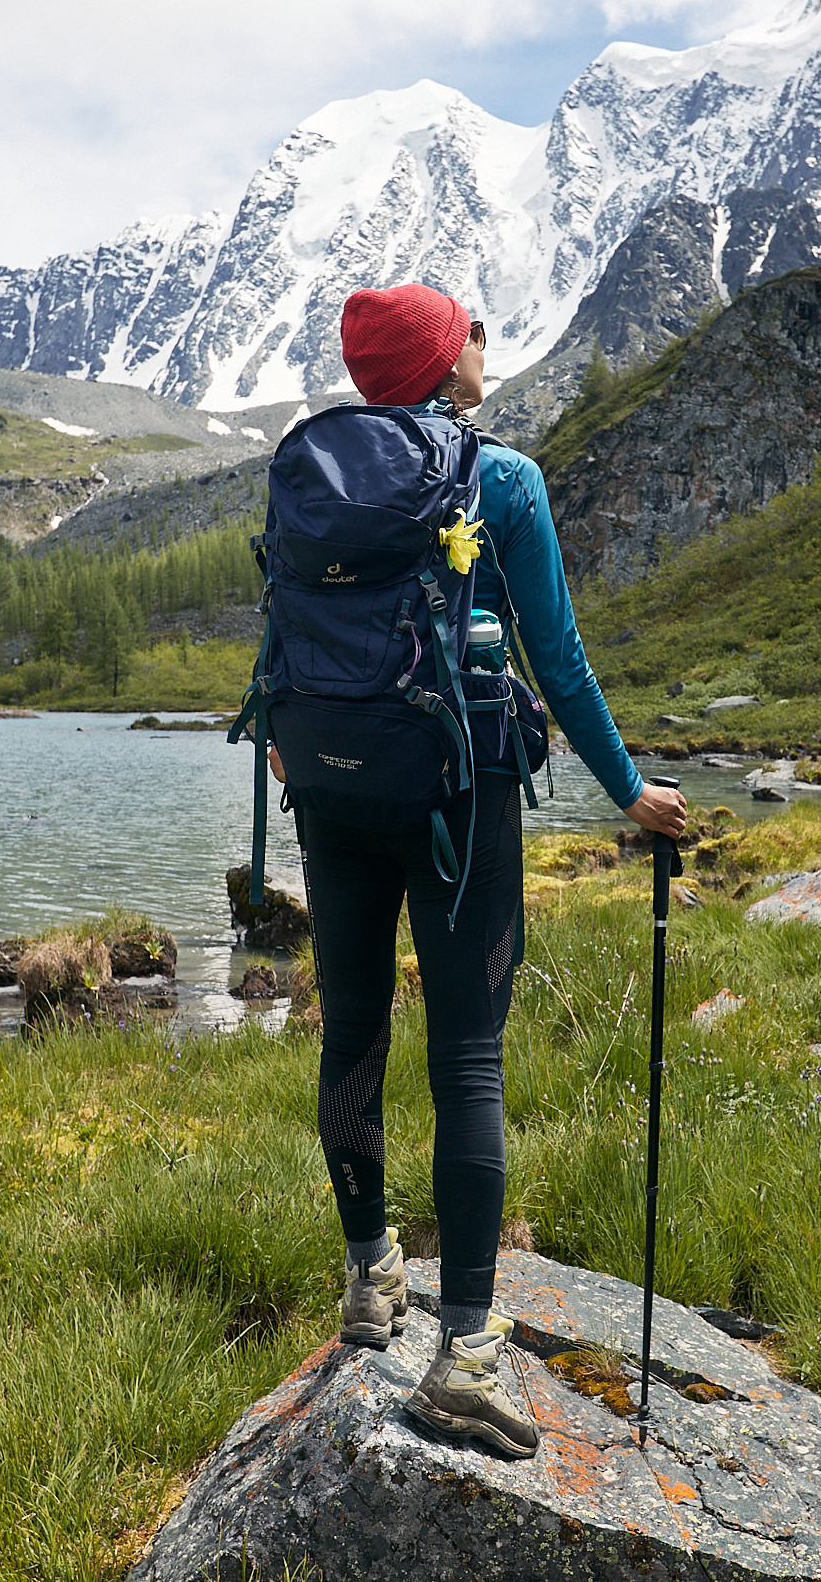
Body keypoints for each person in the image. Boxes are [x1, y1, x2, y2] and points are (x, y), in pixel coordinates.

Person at [263, 283, 685, 1459]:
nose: (484, 348)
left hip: (333, 787)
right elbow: (556, 654)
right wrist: (627, 790)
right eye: (472, 334)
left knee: (350, 1034)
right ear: (447, 362)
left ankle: (365, 1282)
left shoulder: (306, 471)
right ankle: (466, 1357)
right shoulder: (501, 479)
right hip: (454, 794)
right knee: (466, 1054)